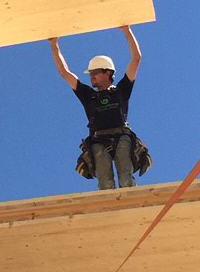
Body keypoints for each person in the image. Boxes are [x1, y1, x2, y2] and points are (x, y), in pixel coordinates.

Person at [48, 26, 145, 190]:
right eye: (90, 73)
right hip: (98, 140)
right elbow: (64, 73)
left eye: (95, 72)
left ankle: (131, 203)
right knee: (105, 183)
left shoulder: (121, 90)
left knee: (126, 179)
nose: (91, 76)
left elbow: (136, 59)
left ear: (108, 73)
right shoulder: (88, 95)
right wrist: (53, 45)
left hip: (121, 137)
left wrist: (126, 30)